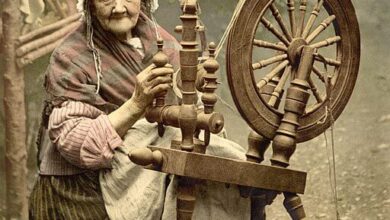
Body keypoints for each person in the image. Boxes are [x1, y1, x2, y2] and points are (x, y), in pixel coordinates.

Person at [29, 0, 181, 219]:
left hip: (143, 178)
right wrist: (136, 103)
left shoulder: (166, 45)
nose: (119, 8)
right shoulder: (71, 56)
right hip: (76, 190)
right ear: (89, 4)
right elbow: (74, 143)